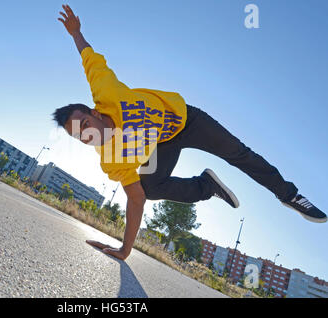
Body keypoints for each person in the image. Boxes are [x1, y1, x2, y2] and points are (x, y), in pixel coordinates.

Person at [55, 4, 326, 261]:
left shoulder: (106, 91)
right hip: (164, 144)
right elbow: (136, 199)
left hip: (188, 120)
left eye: (85, 126)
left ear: (96, 113)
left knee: (238, 152)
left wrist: (76, 32)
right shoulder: (112, 160)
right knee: (149, 187)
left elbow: (89, 58)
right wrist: (126, 249)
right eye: (78, 136)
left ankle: (289, 195)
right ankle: (206, 186)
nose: (86, 136)